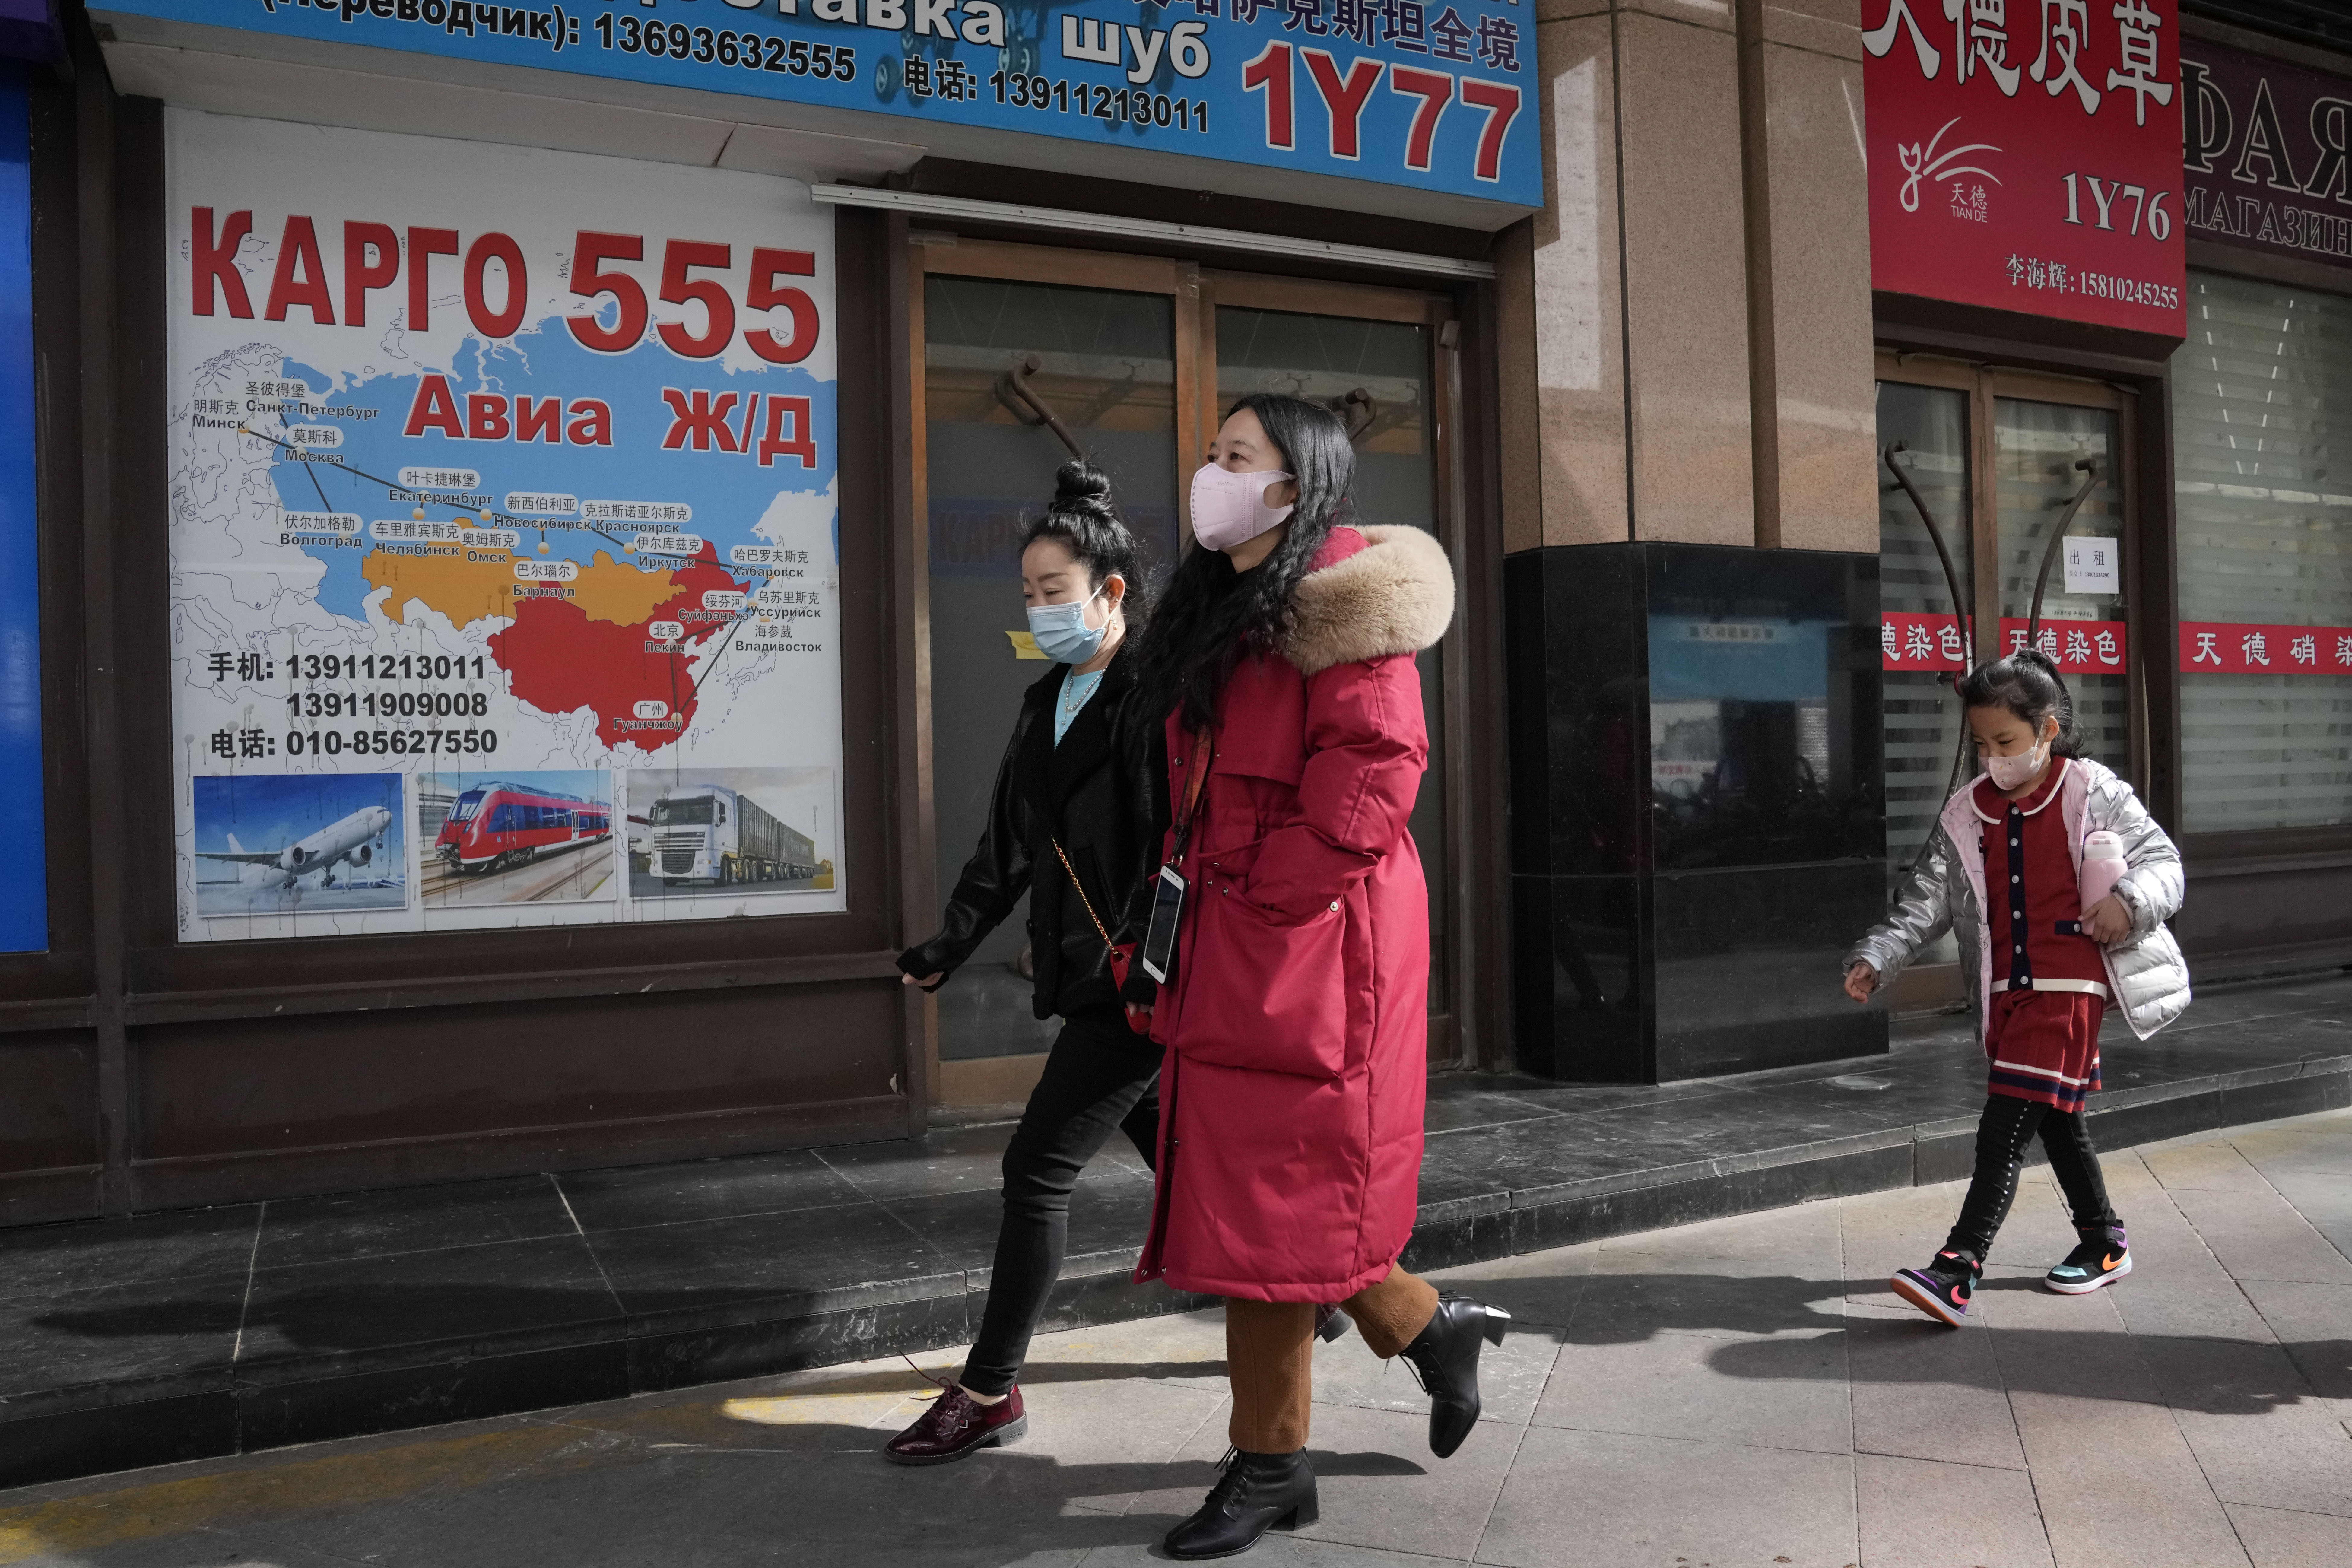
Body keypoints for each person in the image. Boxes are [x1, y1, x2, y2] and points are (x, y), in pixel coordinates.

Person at [1125, 393, 1504, 1560]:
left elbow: (1372, 777)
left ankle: (1272, 1462)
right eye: (1210, 454)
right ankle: (1427, 1331)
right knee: (1261, 1197)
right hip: (1244, 938)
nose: (1211, 473)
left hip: (1309, 952)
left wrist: (1259, 903)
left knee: (1270, 1205)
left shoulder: (1337, 604)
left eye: (1236, 457)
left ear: (1296, 485)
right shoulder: (1231, 606)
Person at [884, 461, 1168, 1464]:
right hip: (1085, 968)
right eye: (1028, 593)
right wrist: (949, 943)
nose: (1040, 608)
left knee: (1034, 1165)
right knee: (1195, 1161)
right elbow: (1008, 843)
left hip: (1139, 983)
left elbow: (1179, 848)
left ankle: (990, 1386)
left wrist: (1152, 963)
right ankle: (1360, 1302)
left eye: (1054, 591)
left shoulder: (1154, 699)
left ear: (1111, 590)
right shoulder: (1042, 696)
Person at [1843, 650, 2189, 1326]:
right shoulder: (1965, 812)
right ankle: (2103, 1238)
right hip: (2006, 990)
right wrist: (1879, 955)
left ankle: (1956, 1267)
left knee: (2001, 1129)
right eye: (1980, 742)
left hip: (2070, 988)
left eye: (2005, 741)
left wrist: (2127, 898)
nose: (1992, 756)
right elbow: (1925, 902)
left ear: (2047, 730)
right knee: (2055, 1118)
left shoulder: (2094, 791)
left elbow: (2163, 865)